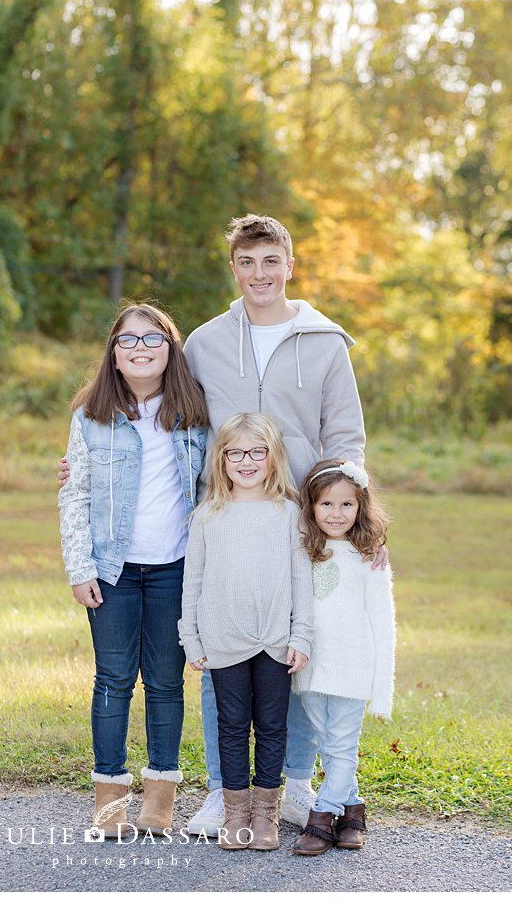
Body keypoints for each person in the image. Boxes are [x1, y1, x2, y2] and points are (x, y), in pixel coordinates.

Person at [65, 214, 372, 834]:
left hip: (302, 523)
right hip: (223, 522)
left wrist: (357, 518)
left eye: (270, 261)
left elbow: (346, 438)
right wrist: (85, 463)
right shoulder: (204, 342)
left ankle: (292, 783)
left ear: (290, 264)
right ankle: (221, 789)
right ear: (234, 268)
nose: (259, 274)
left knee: (297, 650)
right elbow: (165, 414)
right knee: (219, 647)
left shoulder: (324, 341)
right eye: (247, 262)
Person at [59, 303, 212, 838]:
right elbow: (74, 495)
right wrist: (80, 568)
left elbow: (214, 487)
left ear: (171, 350)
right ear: (114, 355)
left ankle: (159, 801)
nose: (141, 348)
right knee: (113, 680)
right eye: (129, 340)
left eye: (153, 339)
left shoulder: (194, 414)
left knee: (167, 682)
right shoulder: (90, 418)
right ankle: (108, 802)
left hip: (176, 567)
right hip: (112, 571)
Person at [179, 413, 314, 852]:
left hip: (274, 639)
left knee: (273, 727)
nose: (247, 460)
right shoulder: (207, 516)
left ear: (274, 459)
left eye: (258, 452)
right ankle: (236, 813)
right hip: (223, 640)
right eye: (235, 453)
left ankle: (265, 813)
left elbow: (301, 582)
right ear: (222, 460)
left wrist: (301, 636)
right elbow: (193, 584)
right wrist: (192, 639)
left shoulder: (289, 514)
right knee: (232, 725)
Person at [289, 459, 395, 856]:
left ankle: (322, 818)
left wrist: (382, 689)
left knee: (343, 744)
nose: (336, 514)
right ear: (311, 506)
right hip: (311, 664)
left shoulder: (369, 557)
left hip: (353, 665)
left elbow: (384, 624)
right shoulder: (302, 549)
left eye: (347, 505)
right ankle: (353, 811)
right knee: (328, 744)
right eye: (327, 505)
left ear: (361, 507)